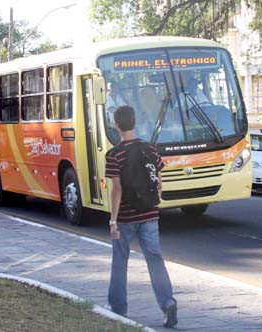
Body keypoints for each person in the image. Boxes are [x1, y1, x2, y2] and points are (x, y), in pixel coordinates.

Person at [105, 105, 178, 328]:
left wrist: (113, 220)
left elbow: (117, 189)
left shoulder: (114, 154)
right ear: (135, 122)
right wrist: (155, 202)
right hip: (150, 214)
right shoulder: (151, 148)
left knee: (120, 262)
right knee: (155, 260)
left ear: (116, 125)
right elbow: (158, 181)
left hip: (126, 217)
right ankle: (167, 303)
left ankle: (118, 308)